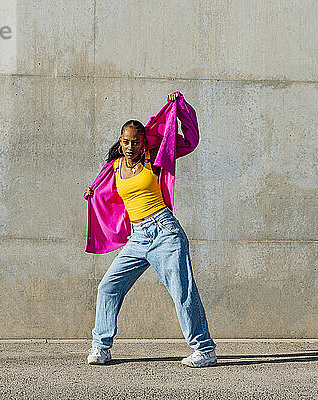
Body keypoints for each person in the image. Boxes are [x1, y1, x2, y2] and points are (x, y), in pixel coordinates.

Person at [83, 91, 217, 368]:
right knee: (108, 287)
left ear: (144, 143)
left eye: (135, 142)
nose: (130, 146)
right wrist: (93, 193)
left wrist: (180, 108)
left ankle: (204, 349)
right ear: (120, 143)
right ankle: (101, 347)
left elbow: (190, 140)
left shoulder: (154, 161)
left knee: (182, 292)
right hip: (138, 237)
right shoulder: (114, 167)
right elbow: (107, 195)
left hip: (165, 233)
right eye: (126, 141)